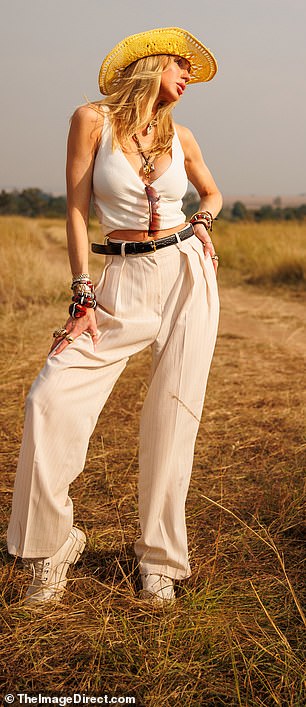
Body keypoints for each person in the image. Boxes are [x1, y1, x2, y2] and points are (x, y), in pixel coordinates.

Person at [7, 27, 222, 606]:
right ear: (151, 64)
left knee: (174, 417)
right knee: (48, 399)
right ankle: (50, 547)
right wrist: (81, 289)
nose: (188, 78)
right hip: (119, 280)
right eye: (181, 65)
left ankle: (159, 560)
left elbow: (212, 194)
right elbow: (77, 211)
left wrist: (202, 224)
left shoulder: (184, 136)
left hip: (185, 276)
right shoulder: (91, 121)